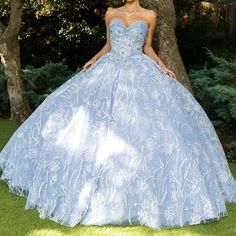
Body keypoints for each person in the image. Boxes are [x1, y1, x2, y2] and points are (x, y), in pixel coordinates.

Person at [0, 0, 236, 230]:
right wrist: (94, 58)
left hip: (139, 70)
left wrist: (162, 67)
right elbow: (109, 45)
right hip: (108, 68)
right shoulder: (110, 12)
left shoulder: (150, 15)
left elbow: (147, 48)